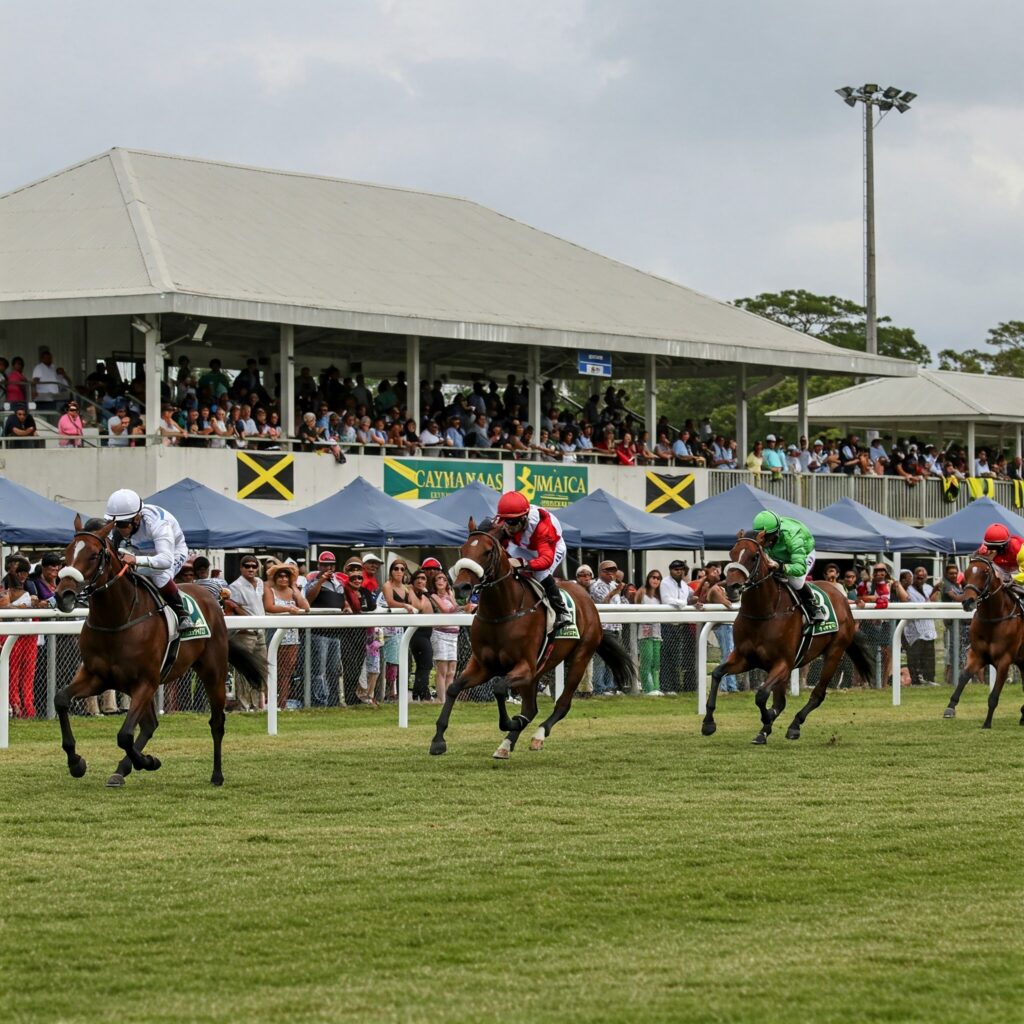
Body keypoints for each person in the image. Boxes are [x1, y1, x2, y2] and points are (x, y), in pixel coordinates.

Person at [104, 488, 192, 632]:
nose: (117, 529)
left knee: (159, 574)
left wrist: (135, 560)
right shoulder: (124, 525)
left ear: (137, 518)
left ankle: (182, 613)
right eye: (114, 523)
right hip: (140, 550)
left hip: (172, 552)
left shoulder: (159, 524)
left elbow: (165, 561)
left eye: (121, 524)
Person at [493, 490, 570, 633]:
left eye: (512, 522)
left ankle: (562, 611)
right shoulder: (505, 520)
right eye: (505, 520)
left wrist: (524, 564)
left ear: (524, 518)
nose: (507, 526)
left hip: (551, 549)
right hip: (523, 546)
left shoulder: (543, 527)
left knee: (540, 573)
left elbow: (546, 560)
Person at [751, 509, 825, 622]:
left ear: (776, 533)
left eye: (767, 537)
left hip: (803, 553)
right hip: (779, 554)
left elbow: (800, 568)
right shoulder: (764, 536)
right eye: (761, 537)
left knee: (796, 582)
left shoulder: (793, 537)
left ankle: (813, 605)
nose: (764, 541)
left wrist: (781, 567)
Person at [304, 552, 351, 706]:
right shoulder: (312, 580)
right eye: (325, 565)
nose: (328, 567)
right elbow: (308, 600)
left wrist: (346, 606)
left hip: (335, 632)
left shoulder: (338, 582)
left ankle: (333, 701)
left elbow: (342, 600)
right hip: (318, 632)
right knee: (319, 670)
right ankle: (319, 702)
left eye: (331, 565)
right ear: (319, 565)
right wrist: (321, 581)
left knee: (334, 670)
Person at [263, 562, 309, 708]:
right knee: (272, 669)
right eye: (280, 576)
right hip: (274, 634)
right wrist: (288, 609)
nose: (283, 579)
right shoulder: (270, 590)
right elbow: (269, 607)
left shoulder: (293, 592)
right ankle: (268, 701)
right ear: (275, 578)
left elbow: (306, 607)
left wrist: (295, 589)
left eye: (286, 576)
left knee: (287, 672)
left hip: (292, 636)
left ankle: (282, 703)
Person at [227, 556, 268, 712]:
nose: (250, 569)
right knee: (244, 670)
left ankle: (258, 705)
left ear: (257, 568)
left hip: (261, 630)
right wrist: (245, 618)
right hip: (245, 632)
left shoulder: (260, 583)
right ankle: (243, 706)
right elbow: (232, 607)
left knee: (261, 668)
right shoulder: (235, 586)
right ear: (241, 568)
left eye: (253, 566)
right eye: (247, 566)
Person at [427, 571, 460, 704]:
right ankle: (441, 699)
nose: (441, 581)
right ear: (434, 582)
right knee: (442, 669)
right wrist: (463, 607)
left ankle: (448, 699)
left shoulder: (450, 594)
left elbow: (456, 608)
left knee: (451, 670)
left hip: (453, 634)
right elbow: (446, 610)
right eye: (438, 579)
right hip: (440, 633)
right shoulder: (434, 596)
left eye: (444, 579)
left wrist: (452, 598)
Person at [633, 569, 664, 696]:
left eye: (658, 578)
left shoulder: (660, 595)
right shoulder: (642, 591)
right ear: (648, 578)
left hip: (657, 630)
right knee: (647, 660)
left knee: (656, 662)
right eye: (653, 577)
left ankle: (656, 688)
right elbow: (635, 608)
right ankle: (648, 689)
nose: (655, 580)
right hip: (644, 630)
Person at [979, 523, 1024, 597]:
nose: (993, 550)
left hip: (1018, 575)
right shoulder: (984, 550)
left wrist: (1012, 579)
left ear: (1006, 544)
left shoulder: (1020, 549)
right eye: (991, 547)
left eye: (997, 547)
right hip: (999, 573)